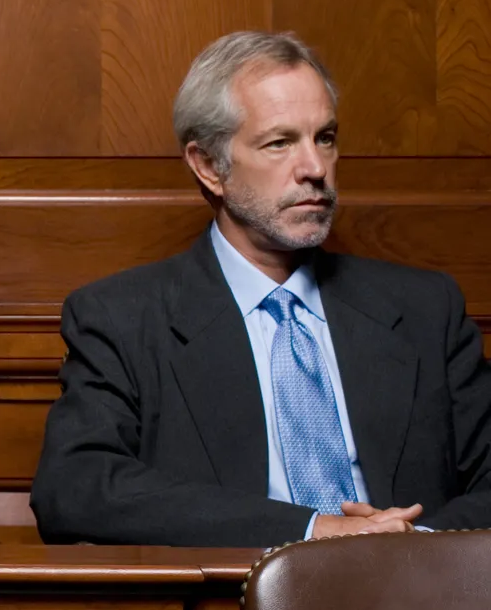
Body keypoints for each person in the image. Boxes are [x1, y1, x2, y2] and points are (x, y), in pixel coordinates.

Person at [32, 31, 491, 546]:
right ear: (209, 167)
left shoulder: (426, 309)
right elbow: (74, 489)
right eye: (280, 142)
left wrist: (409, 540)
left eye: (326, 138)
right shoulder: (122, 318)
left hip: (419, 605)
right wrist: (317, 531)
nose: (315, 169)